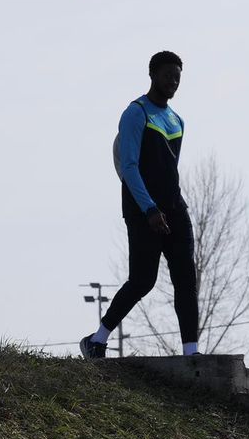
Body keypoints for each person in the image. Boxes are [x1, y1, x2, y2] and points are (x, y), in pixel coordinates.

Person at [80, 51, 199, 359]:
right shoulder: (136, 113)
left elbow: (170, 169)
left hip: (175, 208)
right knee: (143, 280)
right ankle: (97, 339)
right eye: (167, 75)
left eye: (177, 76)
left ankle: (191, 352)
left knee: (186, 278)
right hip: (142, 209)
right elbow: (130, 167)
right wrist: (149, 209)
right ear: (152, 75)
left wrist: (171, 204)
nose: (173, 81)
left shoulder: (177, 120)